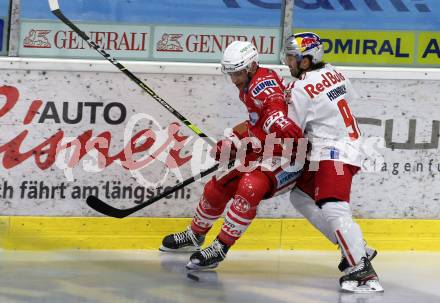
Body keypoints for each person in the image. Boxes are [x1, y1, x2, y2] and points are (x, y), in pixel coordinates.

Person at [159, 40, 304, 270]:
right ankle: (195, 235)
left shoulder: (262, 86)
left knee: (250, 187)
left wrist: (277, 121)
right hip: (267, 150)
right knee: (218, 185)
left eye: (238, 73)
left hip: (289, 157)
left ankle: (220, 247)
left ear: (252, 66)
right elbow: (255, 123)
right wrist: (234, 141)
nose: (234, 79)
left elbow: (273, 104)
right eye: (231, 73)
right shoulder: (248, 84)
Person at [283, 32, 383, 293]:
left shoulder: (299, 87)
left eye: (292, 58)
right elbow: (347, 98)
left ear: (306, 60)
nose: (288, 62)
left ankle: (362, 270)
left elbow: (292, 131)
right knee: (301, 196)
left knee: (333, 206)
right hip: (348, 144)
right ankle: (357, 247)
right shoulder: (333, 71)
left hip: (333, 150)